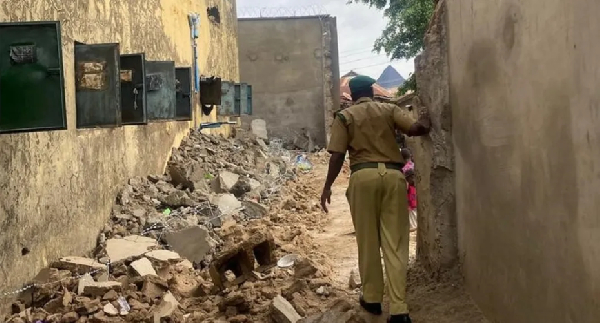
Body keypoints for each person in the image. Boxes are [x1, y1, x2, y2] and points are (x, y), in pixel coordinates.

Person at [320, 75, 431, 323]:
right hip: (393, 177)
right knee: (395, 242)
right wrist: (425, 117)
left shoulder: (344, 117)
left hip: (363, 177)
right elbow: (416, 129)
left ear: (350, 94)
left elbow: (337, 155)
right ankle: (400, 310)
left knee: (368, 241)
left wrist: (327, 187)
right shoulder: (389, 109)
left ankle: (372, 299)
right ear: (371, 90)